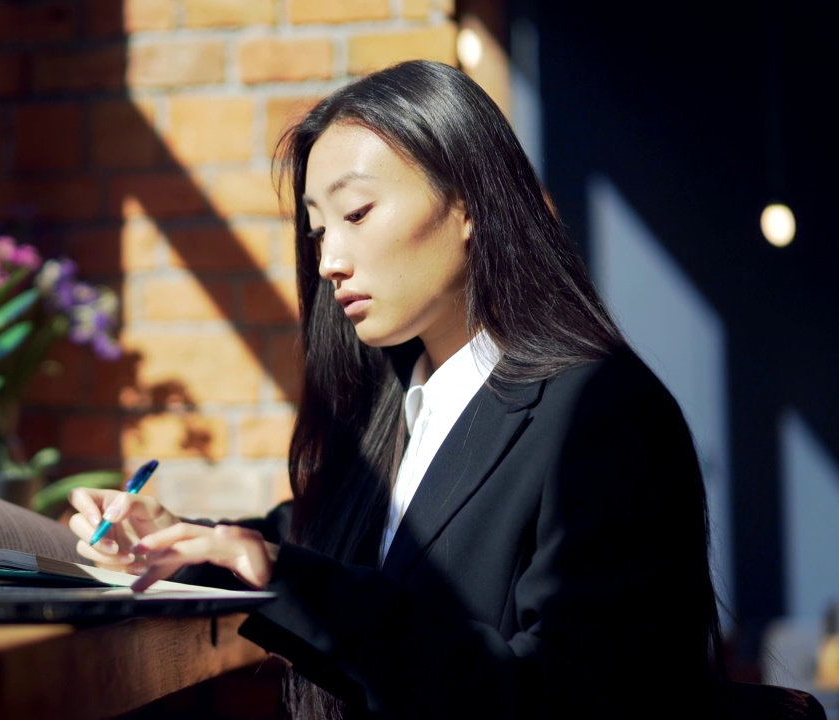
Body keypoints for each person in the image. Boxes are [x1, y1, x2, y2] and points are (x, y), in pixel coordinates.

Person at [68, 59, 722, 719]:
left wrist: (289, 578)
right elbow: (302, 540)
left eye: (356, 212)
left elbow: (563, 696)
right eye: (319, 230)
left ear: (467, 202)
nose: (327, 261)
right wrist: (176, 540)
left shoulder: (604, 414)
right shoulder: (393, 412)